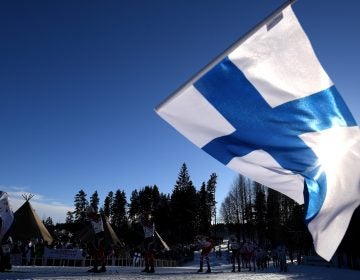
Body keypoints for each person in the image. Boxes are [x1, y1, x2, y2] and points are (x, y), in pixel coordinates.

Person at [86, 206, 106, 273]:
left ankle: (98, 267)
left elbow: (97, 220)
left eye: (89, 214)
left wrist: (91, 218)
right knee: (97, 251)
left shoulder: (97, 216)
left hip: (100, 235)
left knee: (98, 251)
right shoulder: (91, 218)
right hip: (97, 235)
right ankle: (100, 267)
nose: (89, 216)